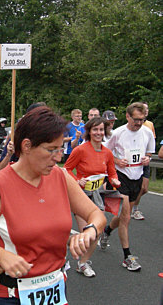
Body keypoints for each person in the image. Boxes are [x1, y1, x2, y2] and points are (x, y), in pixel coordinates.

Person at [0, 106, 106, 304]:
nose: (58, 157)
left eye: (59, 149)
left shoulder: (59, 176)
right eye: (51, 150)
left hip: (55, 287)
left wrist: (89, 231)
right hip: (9, 294)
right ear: (26, 146)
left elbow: (96, 214)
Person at [64, 117, 124, 277]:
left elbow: (112, 172)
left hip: (97, 195)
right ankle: (63, 241)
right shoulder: (81, 150)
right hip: (81, 195)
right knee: (87, 232)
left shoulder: (107, 153)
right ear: (89, 131)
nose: (98, 132)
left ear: (105, 132)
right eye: (95, 129)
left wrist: (114, 180)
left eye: (101, 129)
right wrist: (78, 180)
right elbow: (67, 169)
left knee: (96, 232)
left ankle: (83, 263)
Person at [103, 102, 155, 271]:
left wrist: (148, 159)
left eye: (142, 119)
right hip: (121, 177)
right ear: (127, 116)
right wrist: (117, 161)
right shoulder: (118, 133)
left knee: (125, 216)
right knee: (126, 217)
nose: (139, 123)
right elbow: (105, 153)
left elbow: (149, 152)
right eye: (136, 119)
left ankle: (107, 231)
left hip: (137, 176)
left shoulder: (147, 132)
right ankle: (127, 256)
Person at [131, 102, 156, 220]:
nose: (145, 111)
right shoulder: (132, 123)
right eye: (143, 109)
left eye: (147, 109)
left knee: (144, 188)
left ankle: (132, 205)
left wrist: (148, 156)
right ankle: (134, 209)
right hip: (134, 159)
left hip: (144, 159)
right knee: (136, 187)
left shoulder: (150, 125)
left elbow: (152, 143)